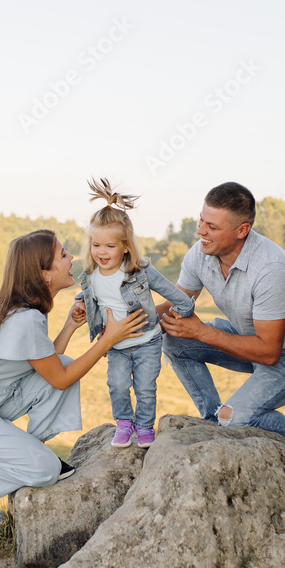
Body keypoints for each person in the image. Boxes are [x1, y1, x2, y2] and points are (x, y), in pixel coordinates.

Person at [0, 229, 146, 500]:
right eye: (63, 254)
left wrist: (70, 326)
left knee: (63, 364)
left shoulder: (25, 311)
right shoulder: (25, 319)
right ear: (45, 274)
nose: (72, 258)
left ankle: (30, 450)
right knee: (45, 471)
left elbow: (47, 367)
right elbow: (61, 378)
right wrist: (108, 340)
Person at [158, 182, 285, 485]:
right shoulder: (201, 253)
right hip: (253, 337)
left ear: (241, 230)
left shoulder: (270, 268)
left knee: (239, 418)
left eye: (212, 226)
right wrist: (124, 317)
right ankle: (212, 420)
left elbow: (269, 353)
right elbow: (173, 305)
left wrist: (203, 332)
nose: (200, 231)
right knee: (175, 337)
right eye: (201, 221)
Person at [73, 179, 195, 448]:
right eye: (96, 245)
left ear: (126, 246)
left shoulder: (140, 271)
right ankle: (124, 424)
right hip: (115, 345)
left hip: (147, 342)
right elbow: (88, 297)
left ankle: (144, 426)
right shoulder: (90, 276)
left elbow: (168, 290)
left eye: (110, 246)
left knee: (145, 388)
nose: (101, 252)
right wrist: (81, 305)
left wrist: (186, 307)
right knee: (116, 385)